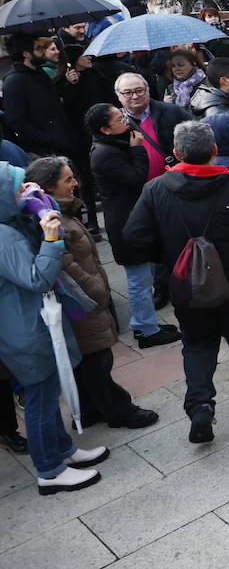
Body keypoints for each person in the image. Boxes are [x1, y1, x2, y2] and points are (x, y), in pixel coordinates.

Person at [122, 121, 229, 444]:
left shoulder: (156, 190)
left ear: (176, 153)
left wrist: (173, 258)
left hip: (186, 286)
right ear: (214, 151)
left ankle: (200, 406)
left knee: (197, 345)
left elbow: (133, 237)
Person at [0, 162, 111, 493]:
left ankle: (63, 450)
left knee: (49, 391)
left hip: (33, 323)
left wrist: (41, 215)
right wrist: (50, 239)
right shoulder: (3, 235)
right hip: (26, 329)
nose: (26, 191)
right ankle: (49, 470)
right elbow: (36, 278)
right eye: (19, 187)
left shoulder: (10, 223)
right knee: (41, 398)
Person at [25, 157, 158, 430]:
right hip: (82, 303)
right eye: (68, 179)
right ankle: (119, 410)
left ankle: (89, 411)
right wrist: (95, 290)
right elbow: (65, 264)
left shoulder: (61, 211)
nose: (76, 183)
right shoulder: (52, 219)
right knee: (98, 360)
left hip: (86, 300)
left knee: (89, 362)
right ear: (48, 188)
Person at [85, 102, 182, 347]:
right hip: (125, 224)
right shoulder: (104, 154)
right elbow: (136, 179)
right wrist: (138, 149)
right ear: (105, 130)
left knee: (145, 276)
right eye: (119, 119)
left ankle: (145, 323)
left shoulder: (116, 143)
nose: (126, 120)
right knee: (139, 280)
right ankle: (146, 331)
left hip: (135, 219)